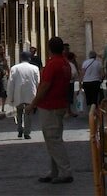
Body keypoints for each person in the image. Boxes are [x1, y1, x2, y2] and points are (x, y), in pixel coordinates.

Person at [27, 35, 73, 185]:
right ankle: (55, 171)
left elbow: (45, 86)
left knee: (53, 140)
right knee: (53, 139)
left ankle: (65, 171)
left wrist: (33, 104)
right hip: (59, 105)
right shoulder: (65, 63)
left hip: (50, 107)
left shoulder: (53, 64)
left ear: (49, 49)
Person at [9, 49, 40, 138]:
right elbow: (38, 82)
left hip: (18, 92)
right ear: (29, 58)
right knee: (28, 113)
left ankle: (20, 128)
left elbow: (11, 82)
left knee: (19, 112)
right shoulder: (35, 68)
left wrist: (10, 95)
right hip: (30, 93)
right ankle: (27, 132)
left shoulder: (14, 68)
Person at [66, 48, 79, 117]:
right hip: (70, 82)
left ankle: (67, 111)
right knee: (68, 98)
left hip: (64, 82)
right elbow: (74, 73)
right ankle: (68, 111)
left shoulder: (64, 63)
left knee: (66, 97)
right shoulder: (71, 64)